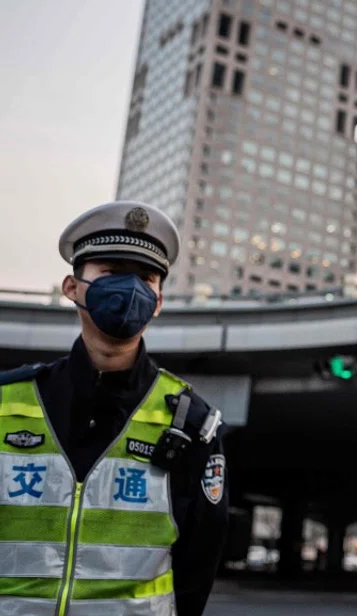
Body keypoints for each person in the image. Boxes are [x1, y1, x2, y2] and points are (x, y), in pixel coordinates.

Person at [0, 201, 229, 615]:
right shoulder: (5, 402)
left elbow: (199, 566)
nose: (129, 291)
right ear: (72, 287)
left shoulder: (193, 423)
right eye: (110, 274)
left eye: (145, 278)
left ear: (157, 300)